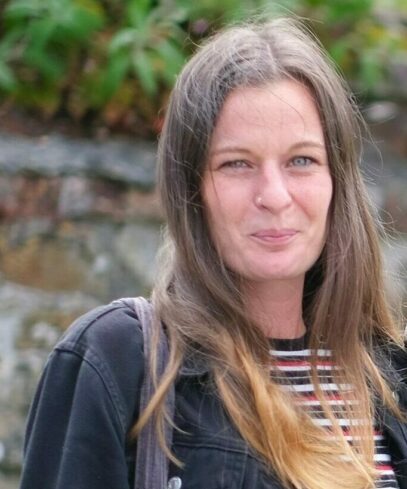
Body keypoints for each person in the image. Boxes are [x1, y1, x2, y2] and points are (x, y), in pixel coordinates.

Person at [20, 17, 407, 489]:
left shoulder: (392, 381)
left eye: (301, 160)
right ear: (191, 190)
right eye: (237, 164)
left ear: (337, 183)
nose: (274, 195)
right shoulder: (117, 362)